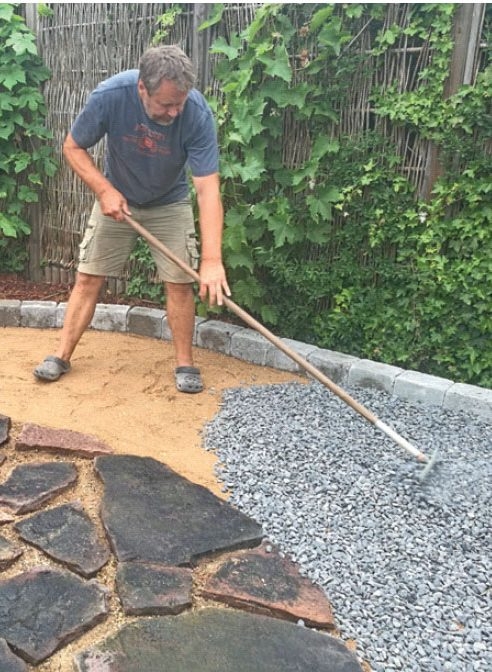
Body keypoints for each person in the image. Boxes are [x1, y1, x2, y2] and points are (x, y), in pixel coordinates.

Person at [34, 45, 230, 393]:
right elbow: (72, 147)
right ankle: (61, 355)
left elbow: (207, 189)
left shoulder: (196, 113)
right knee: (88, 277)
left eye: (179, 102)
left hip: (169, 203)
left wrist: (212, 260)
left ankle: (185, 363)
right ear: (142, 88)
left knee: (179, 283)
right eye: (166, 104)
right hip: (117, 197)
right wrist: (104, 190)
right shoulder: (111, 96)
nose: (175, 111)